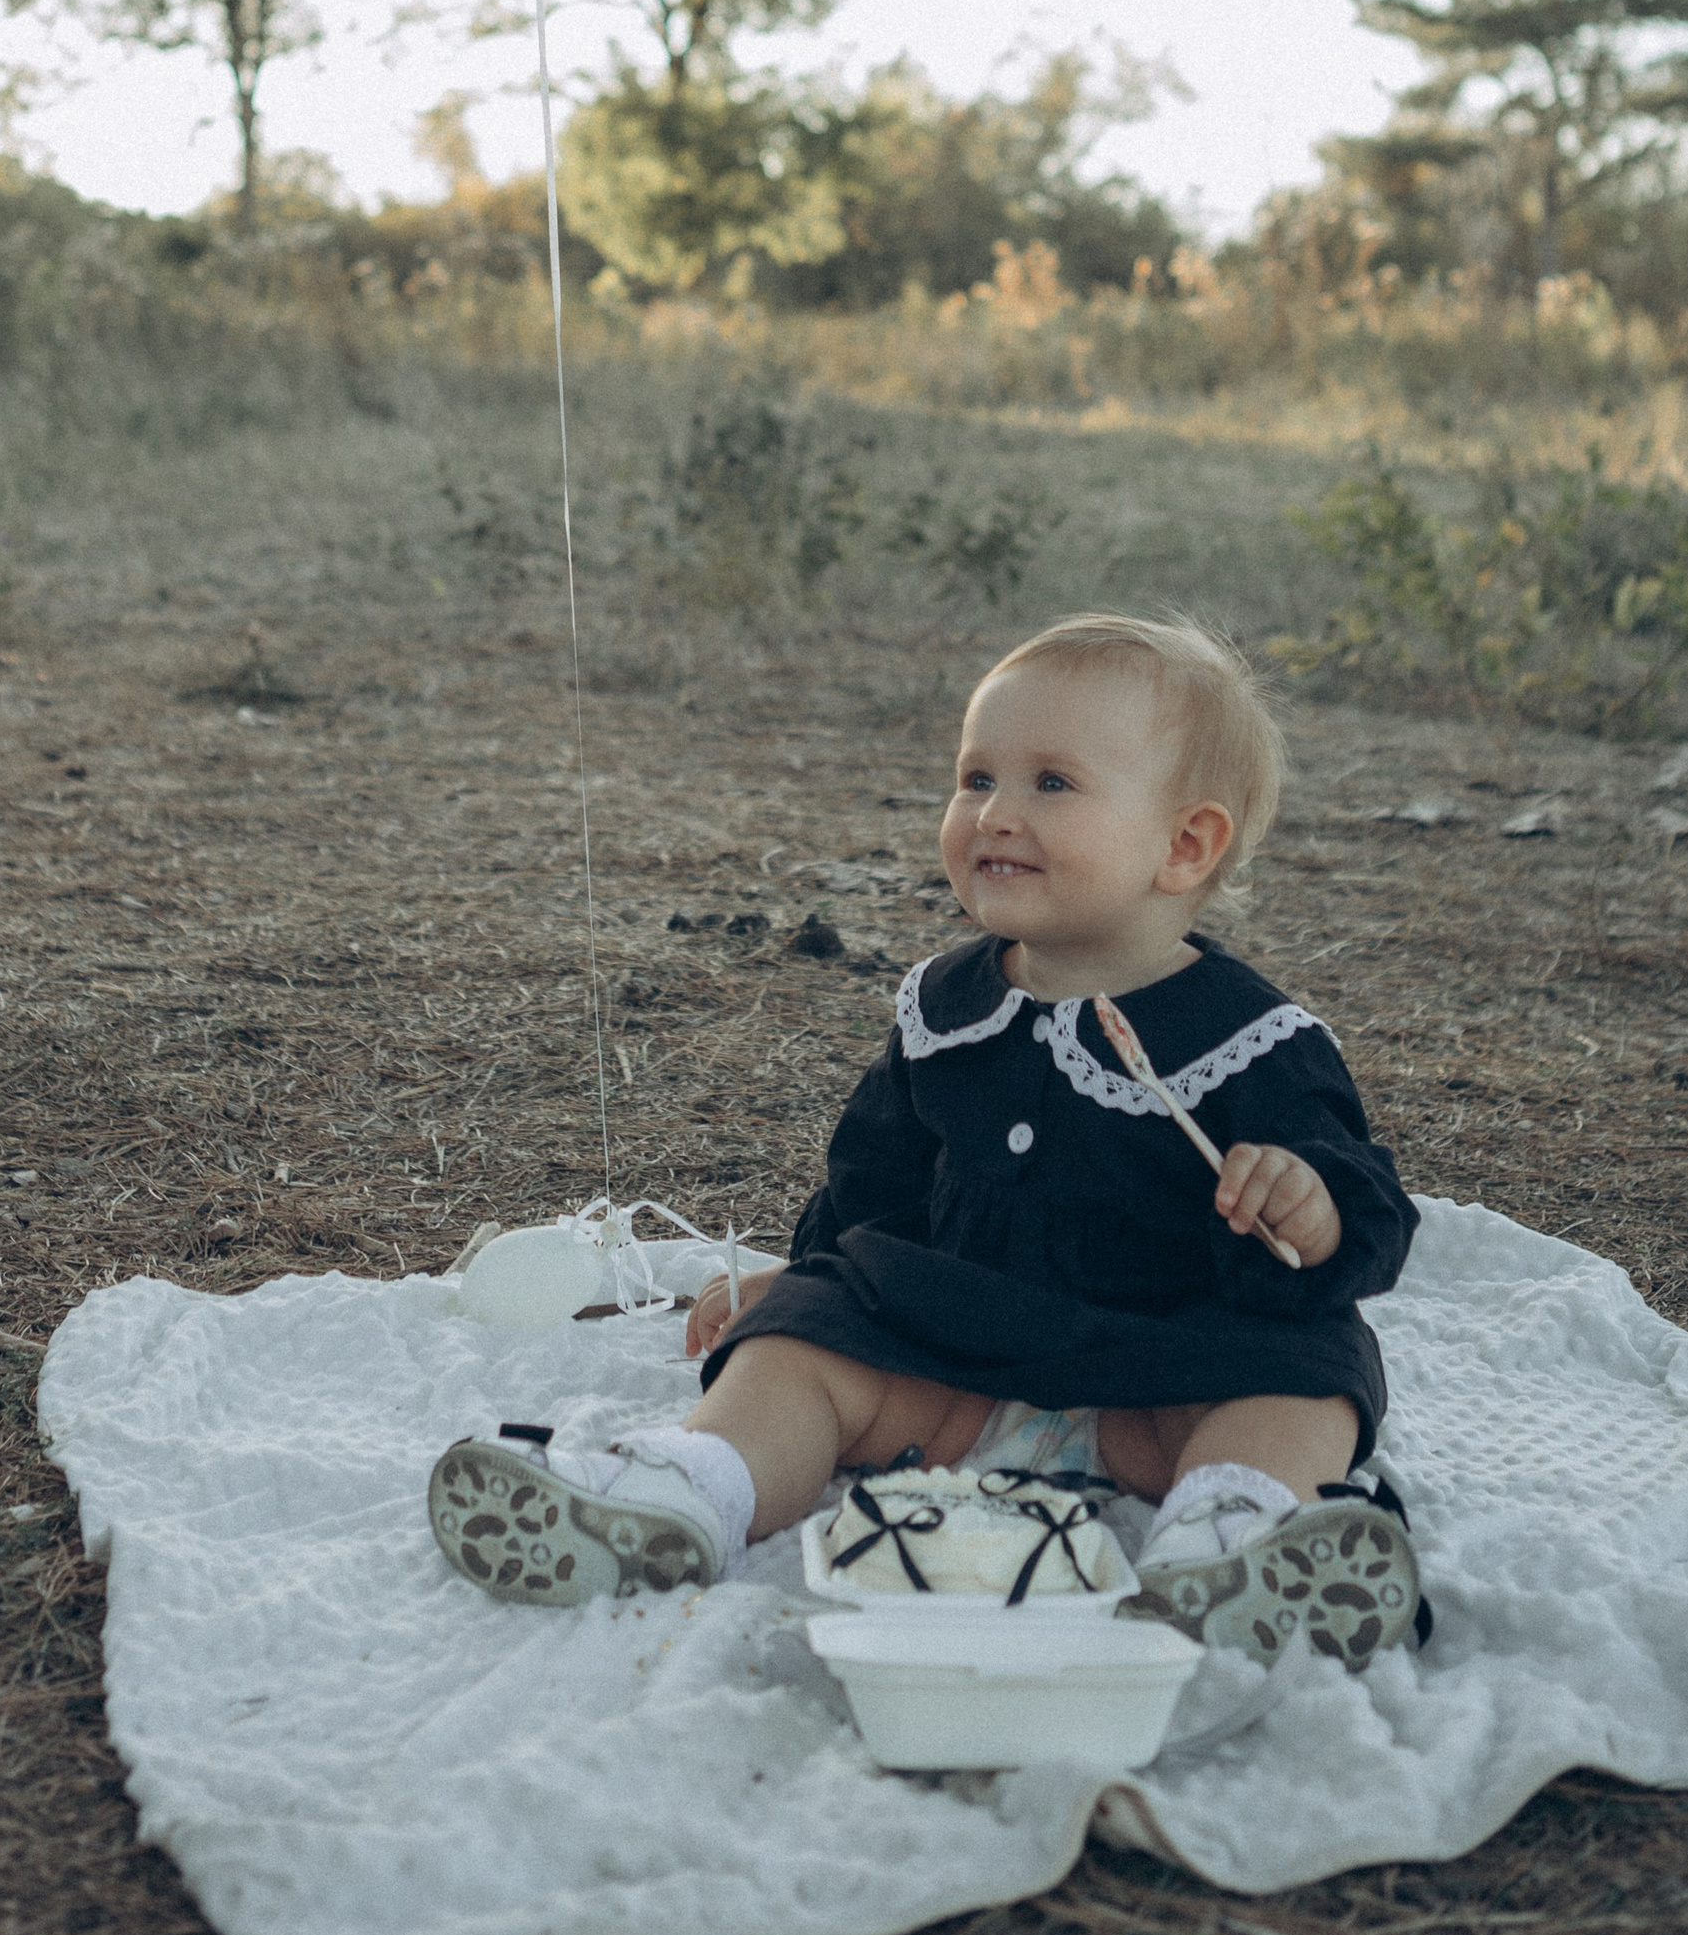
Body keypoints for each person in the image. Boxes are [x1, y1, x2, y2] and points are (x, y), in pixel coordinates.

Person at [427, 612, 1425, 1665]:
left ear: (1184, 845)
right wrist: (811, 1280)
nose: (994, 812)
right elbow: (876, 1186)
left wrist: (1308, 1204)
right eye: (975, 778)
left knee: (1310, 1377)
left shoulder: (1250, 1038)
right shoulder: (948, 1008)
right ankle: (682, 1495)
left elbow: (1361, 1204)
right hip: (945, 1365)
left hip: (1170, 1377)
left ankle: (1231, 1540)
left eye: (1051, 783)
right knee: (794, 1351)